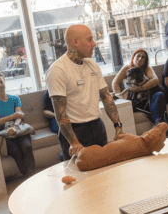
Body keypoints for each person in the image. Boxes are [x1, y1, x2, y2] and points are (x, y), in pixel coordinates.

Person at [46, 24, 123, 160]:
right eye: (89, 40)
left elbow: (106, 97)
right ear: (75, 42)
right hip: (75, 131)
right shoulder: (58, 70)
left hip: (97, 127)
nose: (94, 44)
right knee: (81, 178)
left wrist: (117, 126)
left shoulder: (92, 65)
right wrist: (73, 142)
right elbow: (60, 114)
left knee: (104, 171)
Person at [0, 72, 36, 176]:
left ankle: (33, 175)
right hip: (2, 130)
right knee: (15, 150)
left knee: (26, 146)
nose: (0, 85)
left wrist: (15, 127)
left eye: (1, 82)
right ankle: (27, 176)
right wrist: (13, 116)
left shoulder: (15, 98)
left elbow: (19, 117)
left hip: (17, 127)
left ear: (4, 82)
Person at [113, 48, 167, 128]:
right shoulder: (127, 68)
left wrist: (140, 88)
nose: (140, 59)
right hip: (132, 100)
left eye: (143, 57)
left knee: (159, 94)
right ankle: (160, 123)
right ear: (133, 57)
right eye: (138, 56)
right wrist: (121, 98)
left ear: (145, 60)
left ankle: (159, 123)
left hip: (147, 98)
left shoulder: (147, 68)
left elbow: (155, 80)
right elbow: (115, 83)